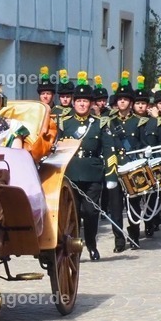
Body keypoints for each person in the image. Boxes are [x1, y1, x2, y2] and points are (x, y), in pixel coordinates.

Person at [57, 73, 109, 261]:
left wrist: (111, 176)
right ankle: (74, 247)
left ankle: (92, 244)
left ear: (90, 104)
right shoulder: (64, 122)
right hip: (71, 172)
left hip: (93, 172)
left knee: (90, 211)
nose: (82, 104)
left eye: (85, 101)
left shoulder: (99, 123)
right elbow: (57, 147)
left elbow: (108, 148)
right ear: (73, 102)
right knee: (73, 213)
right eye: (78, 100)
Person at [103, 72, 148, 252]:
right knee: (115, 207)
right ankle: (119, 241)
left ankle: (135, 235)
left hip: (132, 168)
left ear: (130, 102)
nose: (122, 102)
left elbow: (143, 143)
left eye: (126, 99)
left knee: (133, 205)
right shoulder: (108, 122)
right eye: (119, 99)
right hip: (114, 168)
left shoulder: (139, 122)